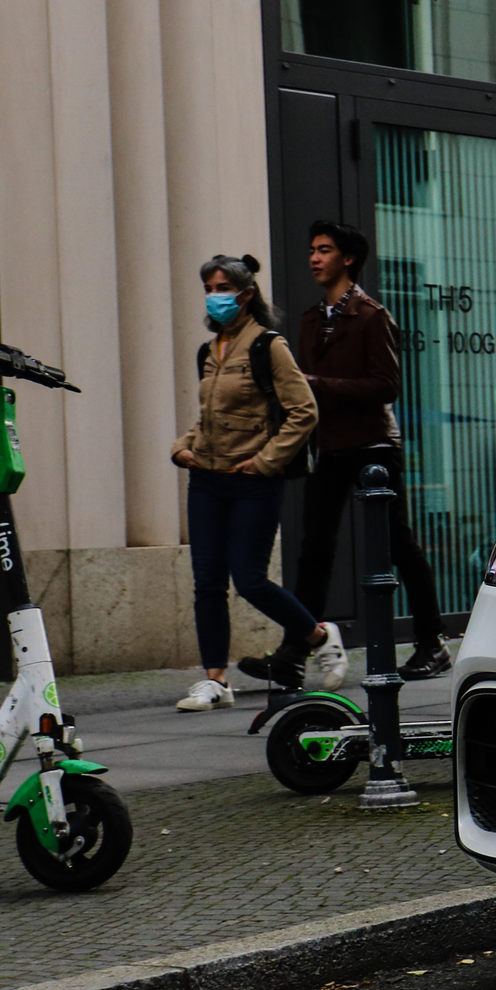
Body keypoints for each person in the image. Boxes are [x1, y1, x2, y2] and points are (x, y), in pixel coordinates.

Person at [288, 220, 450, 678]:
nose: (314, 258)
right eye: (312, 250)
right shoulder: (309, 319)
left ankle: (431, 642)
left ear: (348, 259)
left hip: (374, 446)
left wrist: (317, 384)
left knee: (399, 544)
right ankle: (296, 650)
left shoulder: (372, 315)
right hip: (330, 446)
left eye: (324, 250)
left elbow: (386, 385)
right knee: (314, 548)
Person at [170, 254, 330, 711]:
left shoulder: (267, 346)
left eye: (221, 287)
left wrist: (266, 460)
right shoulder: (209, 350)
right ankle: (215, 680)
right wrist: (181, 445)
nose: (213, 296)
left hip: (253, 481)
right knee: (207, 584)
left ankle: (317, 635)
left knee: (251, 580)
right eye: (207, 288)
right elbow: (208, 418)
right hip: (206, 480)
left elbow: (305, 411)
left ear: (244, 294)